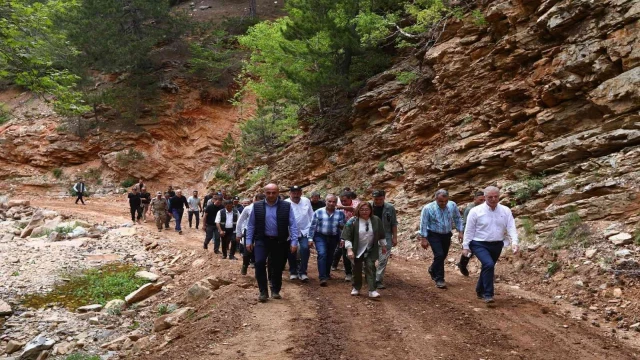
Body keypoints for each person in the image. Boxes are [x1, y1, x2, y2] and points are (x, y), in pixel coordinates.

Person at [463, 186, 519, 303]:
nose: (493, 199)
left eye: (496, 197)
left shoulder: (505, 210)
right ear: (485, 197)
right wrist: (466, 246)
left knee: (487, 267)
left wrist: (514, 242)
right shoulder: (475, 211)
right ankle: (488, 294)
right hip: (478, 243)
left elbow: (511, 226)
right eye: (490, 197)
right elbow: (469, 230)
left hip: (497, 244)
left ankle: (479, 289)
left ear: (499, 196)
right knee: (489, 265)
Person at [246, 184, 298, 302]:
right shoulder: (257, 206)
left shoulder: (286, 206)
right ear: (264, 193)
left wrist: (294, 241)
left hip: (279, 241)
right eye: (268, 192)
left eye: (273, 193)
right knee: (259, 263)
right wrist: (248, 240)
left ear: (278, 193)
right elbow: (251, 224)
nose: (271, 195)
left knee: (277, 266)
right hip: (261, 240)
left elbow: (293, 225)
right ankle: (263, 292)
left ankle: (275, 290)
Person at [419, 189, 463, 289]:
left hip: (447, 234)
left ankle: (432, 268)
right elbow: (423, 223)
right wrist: (424, 238)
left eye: (445, 201)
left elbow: (457, 218)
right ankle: (440, 279)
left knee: (443, 256)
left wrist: (460, 231)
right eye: (440, 201)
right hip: (433, 234)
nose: (443, 203)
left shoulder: (452, 205)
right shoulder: (428, 208)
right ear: (436, 199)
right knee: (439, 255)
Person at [343, 202, 387, 298]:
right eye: (362, 209)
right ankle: (356, 287)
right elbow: (347, 236)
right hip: (356, 249)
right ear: (358, 210)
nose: (364, 212)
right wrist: (349, 249)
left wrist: (383, 246)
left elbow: (381, 234)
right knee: (356, 268)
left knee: (371, 267)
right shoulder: (353, 221)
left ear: (371, 210)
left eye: (367, 209)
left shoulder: (376, 220)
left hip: (370, 248)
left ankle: (372, 290)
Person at [309, 194, 346, 287]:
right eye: (329, 201)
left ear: (336, 203)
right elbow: (313, 226)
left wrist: (342, 238)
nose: (331, 203)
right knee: (322, 254)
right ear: (325, 201)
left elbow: (342, 228)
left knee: (330, 256)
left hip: (333, 237)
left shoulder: (340, 213)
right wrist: (310, 238)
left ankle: (327, 273)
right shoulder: (318, 212)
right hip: (320, 236)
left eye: (334, 201)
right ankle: (322, 277)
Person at [285, 186, 315, 282]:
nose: (296, 195)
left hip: (305, 231)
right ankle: (293, 271)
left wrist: (312, 231)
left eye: (298, 192)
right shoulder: (285, 203)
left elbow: (311, 215)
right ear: (290, 193)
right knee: (291, 251)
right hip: (290, 232)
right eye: (293, 193)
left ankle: (303, 272)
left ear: (301, 193)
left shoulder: (306, 201)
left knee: (305, 249)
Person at [371, 190, 398, 289]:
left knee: (383, 259)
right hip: (369, 236)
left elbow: (394, 223)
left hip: (385, 236)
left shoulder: (390, 208)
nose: (378, 201)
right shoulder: (368, 206)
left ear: (384, 198)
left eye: (380, 199)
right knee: (370, 259)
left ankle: (378, 280)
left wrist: (394, 237)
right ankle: (370, 277)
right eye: (376, 199)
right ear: (372, 198)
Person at [332, 191, 359, 281]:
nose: (343, 202)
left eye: (345, 201)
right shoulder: (339, 205)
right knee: (344, 251)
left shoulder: (356, 203)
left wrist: (342, 207)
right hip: (344, 230)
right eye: (342, 201)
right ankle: (348, 273)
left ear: (350, 199)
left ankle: (357, 271)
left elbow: (355, 209)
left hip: (357, 231)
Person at [458, 191, 485, 276]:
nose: (483, 202)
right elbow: (466, 223)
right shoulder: (470, 209)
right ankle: (462, 264)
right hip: (472, 234)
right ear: (475, 199)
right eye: (481, 200)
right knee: (469, 251)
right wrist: (465, 236)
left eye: (484, 200)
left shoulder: (483, 208)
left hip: (480, 234)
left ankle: (462, 264)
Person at [237, 194, 264, 274]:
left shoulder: (266, 208)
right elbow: (240, 221)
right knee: (247, 251)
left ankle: (258, 270)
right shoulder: (248, 208)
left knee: (259, 251)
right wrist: (238, 233)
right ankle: (245, 265)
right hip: (248, 231)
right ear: (254, 200)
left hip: (261, 232)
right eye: (258, 200)